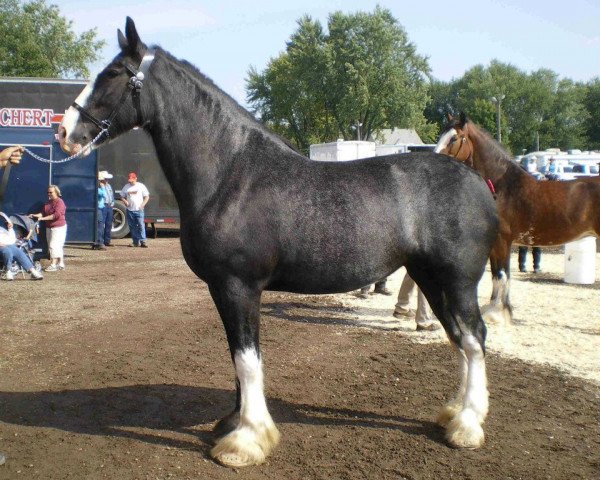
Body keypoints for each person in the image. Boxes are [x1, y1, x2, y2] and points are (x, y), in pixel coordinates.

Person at [30, 185, 67, 271]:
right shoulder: (48, 203)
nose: (49, 194)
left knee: (53, 245)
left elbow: (56, 215)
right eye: (48, 192)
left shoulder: (60, 202)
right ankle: (61, 263)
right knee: (57, 245)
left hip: (59, 227)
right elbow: (42, 213)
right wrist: (34, 215)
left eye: (51, 192)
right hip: (49, 227)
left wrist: (42, 219)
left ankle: (53, 265)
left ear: (56, 192)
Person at [0, 213, 43, 281]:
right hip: (2, 247)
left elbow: (11, 239)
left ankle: (32, 271)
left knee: (18, 251)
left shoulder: (2, 229)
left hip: (8, 245)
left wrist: (10, 229)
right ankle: (8, 271)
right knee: (7, 251)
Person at [121, 172, 150, 248]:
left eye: (132, 180)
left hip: (139, 210)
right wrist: (125, 201)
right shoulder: (126, 187)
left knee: (141, 225)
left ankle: (143, 241)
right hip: (130, 210)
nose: (130, 182)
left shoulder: (141, 186)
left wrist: (142, 204)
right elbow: (122, 196)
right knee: (132, 227)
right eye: (129, 180)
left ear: (135, 178)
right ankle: (135, 242)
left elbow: (147, 196)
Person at [93, 173, 109, 250]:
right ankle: (99, 242)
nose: (104, 182)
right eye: (102, 181)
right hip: (98, 208)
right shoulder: (98, 189)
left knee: (99, 225)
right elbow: (104, 194)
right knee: (99, 226)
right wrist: (102, 187)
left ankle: (96, 242)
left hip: (100, 208)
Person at [99, 171, 115, 247]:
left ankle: (107, 241)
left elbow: (111, 195)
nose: (107, 180)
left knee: (109, 224)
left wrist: (112, 203)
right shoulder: (99, 186)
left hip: (109, 206)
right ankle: (101, 241)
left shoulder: (109, 186)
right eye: (106, 178)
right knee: (101, 224)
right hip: (103, 206)